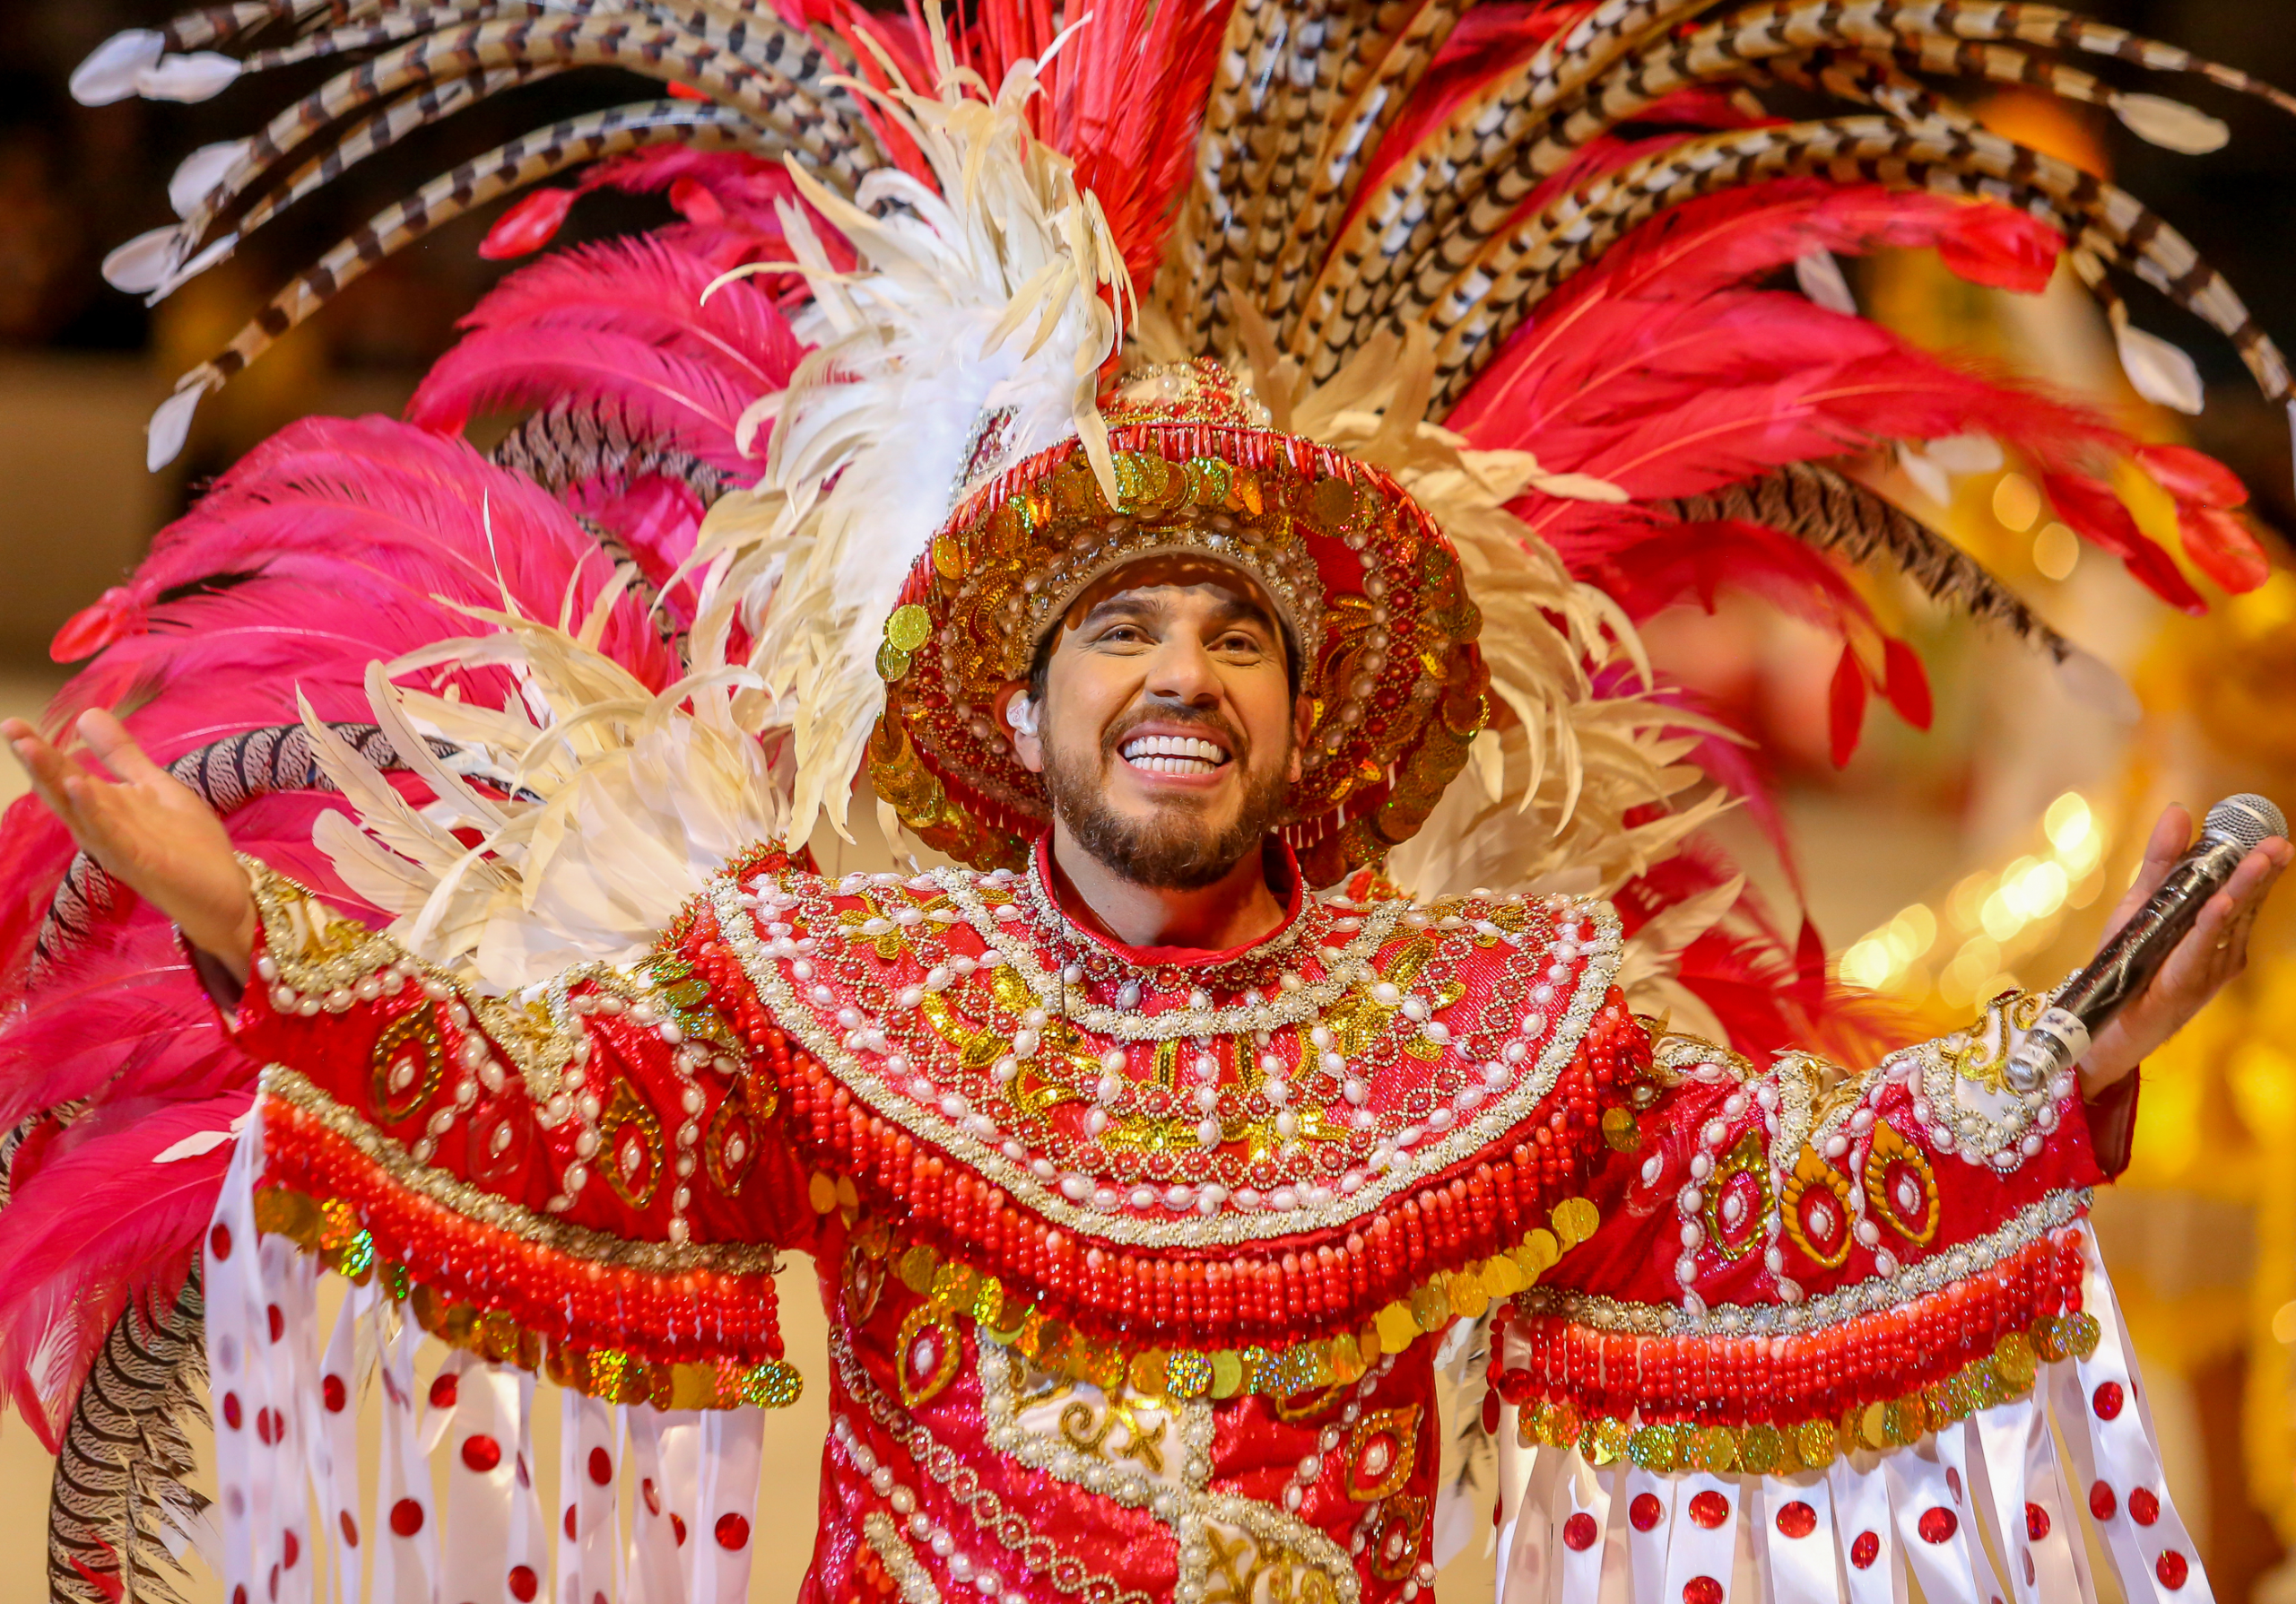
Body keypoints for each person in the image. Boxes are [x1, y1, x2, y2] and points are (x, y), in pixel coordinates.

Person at [9, 4, 2296, 1603]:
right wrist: (253, 927)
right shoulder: (825, 992)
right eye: (1118, 631)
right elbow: (552, 1120)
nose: (1179, 675)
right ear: (1022, 714)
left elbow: (1756, 1199)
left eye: (1234, 638)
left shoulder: (1498, 1029)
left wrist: (2052, 1071)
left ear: (1308, 723)